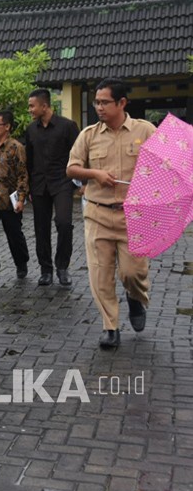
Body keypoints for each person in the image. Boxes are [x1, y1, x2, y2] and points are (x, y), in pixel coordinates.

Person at [66, 78, 155, 349]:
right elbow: (72, 169)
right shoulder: (89, 135)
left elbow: (164, 165)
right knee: (100, 274)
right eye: (97, 102)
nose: (99, 108)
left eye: (105, 102)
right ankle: (110, 326)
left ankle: (136, 297)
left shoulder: (145, 131)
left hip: (133, 216)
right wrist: (95, 174)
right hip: (98, 214)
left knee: (132, 272)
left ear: (122, 103)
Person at [25, 89, 80, 286]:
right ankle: (45, 270)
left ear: (44, 106)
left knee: (64, 223)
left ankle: (62, 267)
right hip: (39, 185)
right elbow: (28, 161)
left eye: (32, 106)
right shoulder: (31, 130)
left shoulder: (68, 126)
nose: (30, 109)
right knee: (41, 229)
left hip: (62, 183)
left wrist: (78, 182)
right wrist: (28, 187)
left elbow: (79, 155)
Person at [0, 110, 30, 290]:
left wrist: (21, 199)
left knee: (15, 236)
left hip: (9, 202)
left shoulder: (16, 148)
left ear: (7, 127)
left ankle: (21, 262)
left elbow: (22, 175)